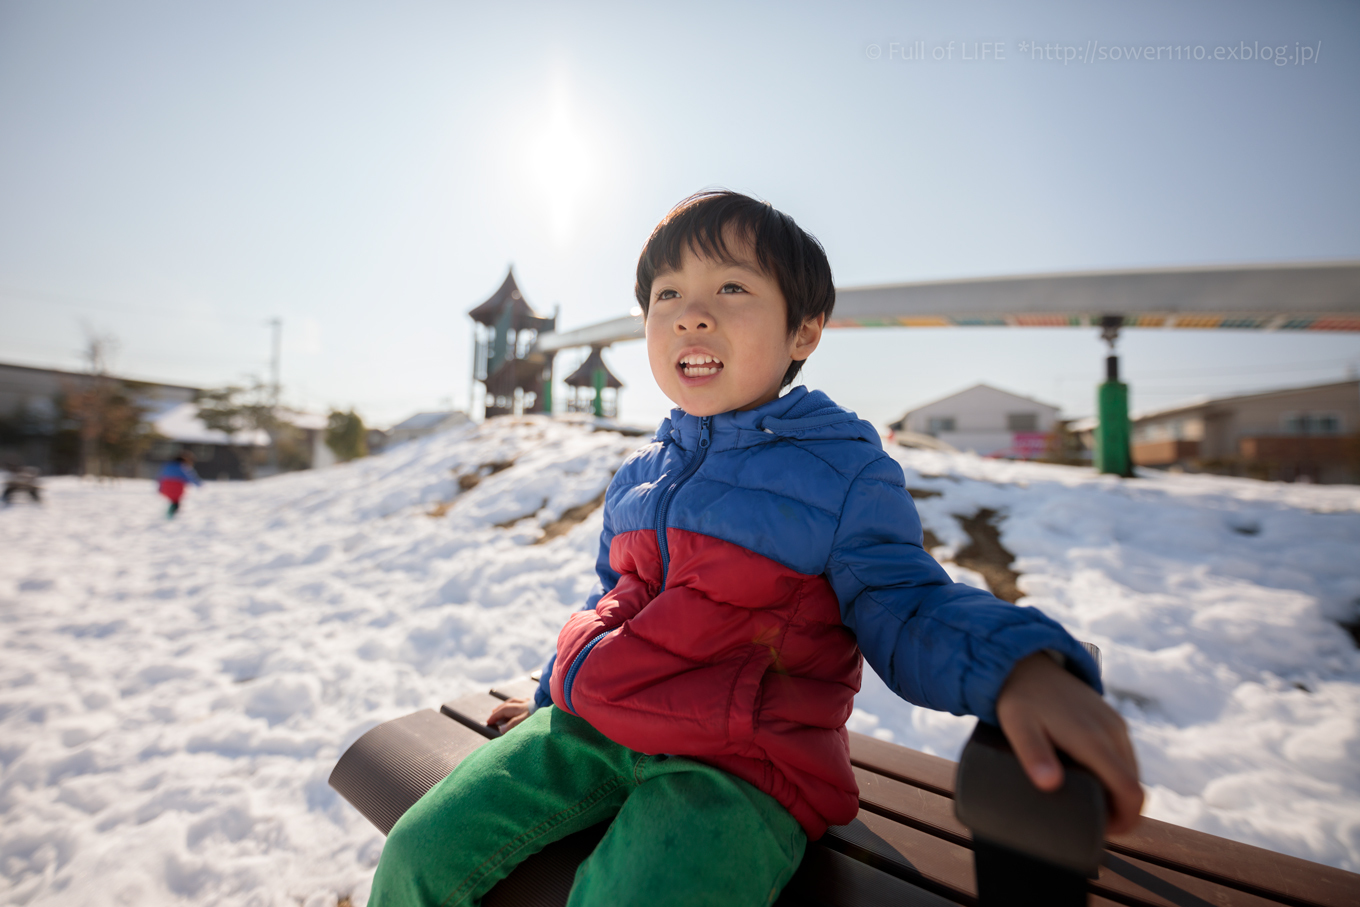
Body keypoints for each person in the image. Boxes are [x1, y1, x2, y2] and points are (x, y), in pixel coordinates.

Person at [370, 192, 1142, 907]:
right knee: (418, 852)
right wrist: (551, 694)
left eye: (731, 289)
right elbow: (611, 599)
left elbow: (904, 602)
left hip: (738, 769)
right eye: (667, 294)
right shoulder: (642, 472)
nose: (691, 315)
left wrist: (1020, 669)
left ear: (803, 330)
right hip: (596, 727)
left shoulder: (841, 471)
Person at [156, 451, 202, 518]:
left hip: (166, 486)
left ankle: (168, 516)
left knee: (174, 501)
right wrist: (198, 484)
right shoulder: (183, 467)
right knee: (176, 502)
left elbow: (160, 477)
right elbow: (190, 477)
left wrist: (160, 488)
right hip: (177, 487)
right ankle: (169, 516)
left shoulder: (167, 465)